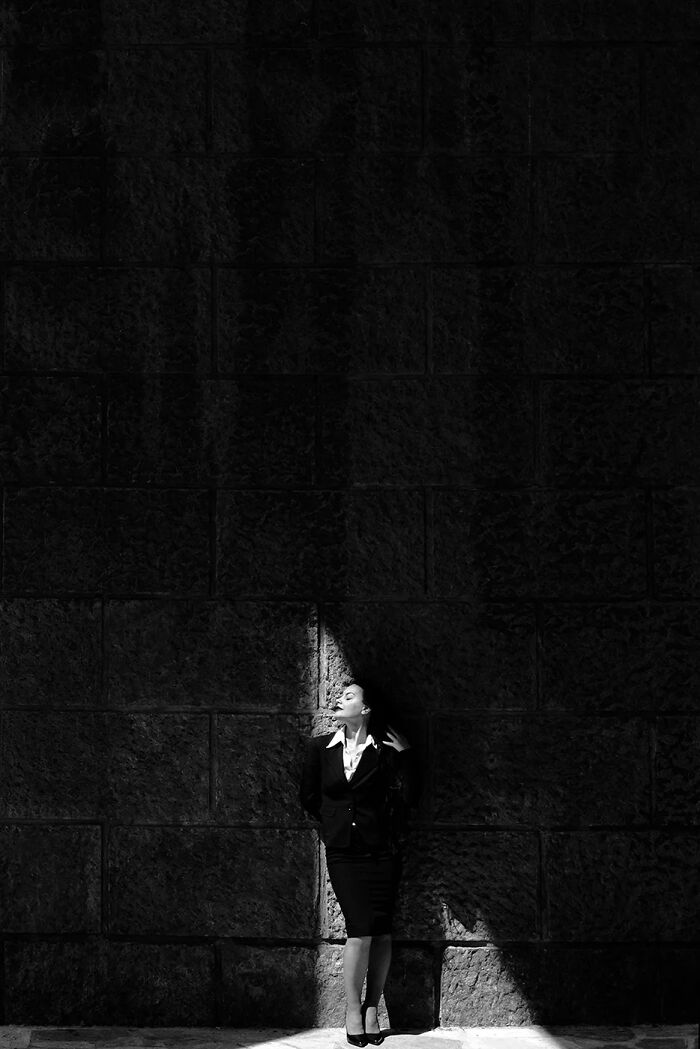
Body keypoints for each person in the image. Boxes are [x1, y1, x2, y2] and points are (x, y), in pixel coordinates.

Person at [299, 680, 420, 1046]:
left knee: (381, 930)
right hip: (342, 852)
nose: (339, 698)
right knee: (359, 929)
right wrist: (334, 825)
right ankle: (352, 1009)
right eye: (340, 695)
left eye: (349, 696)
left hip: (380, 850)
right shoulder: (319, 748)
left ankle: (372, 1007)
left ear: (365, 709)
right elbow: (308, 796)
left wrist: (408, 756)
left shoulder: (384, 751)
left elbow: (412, 799)